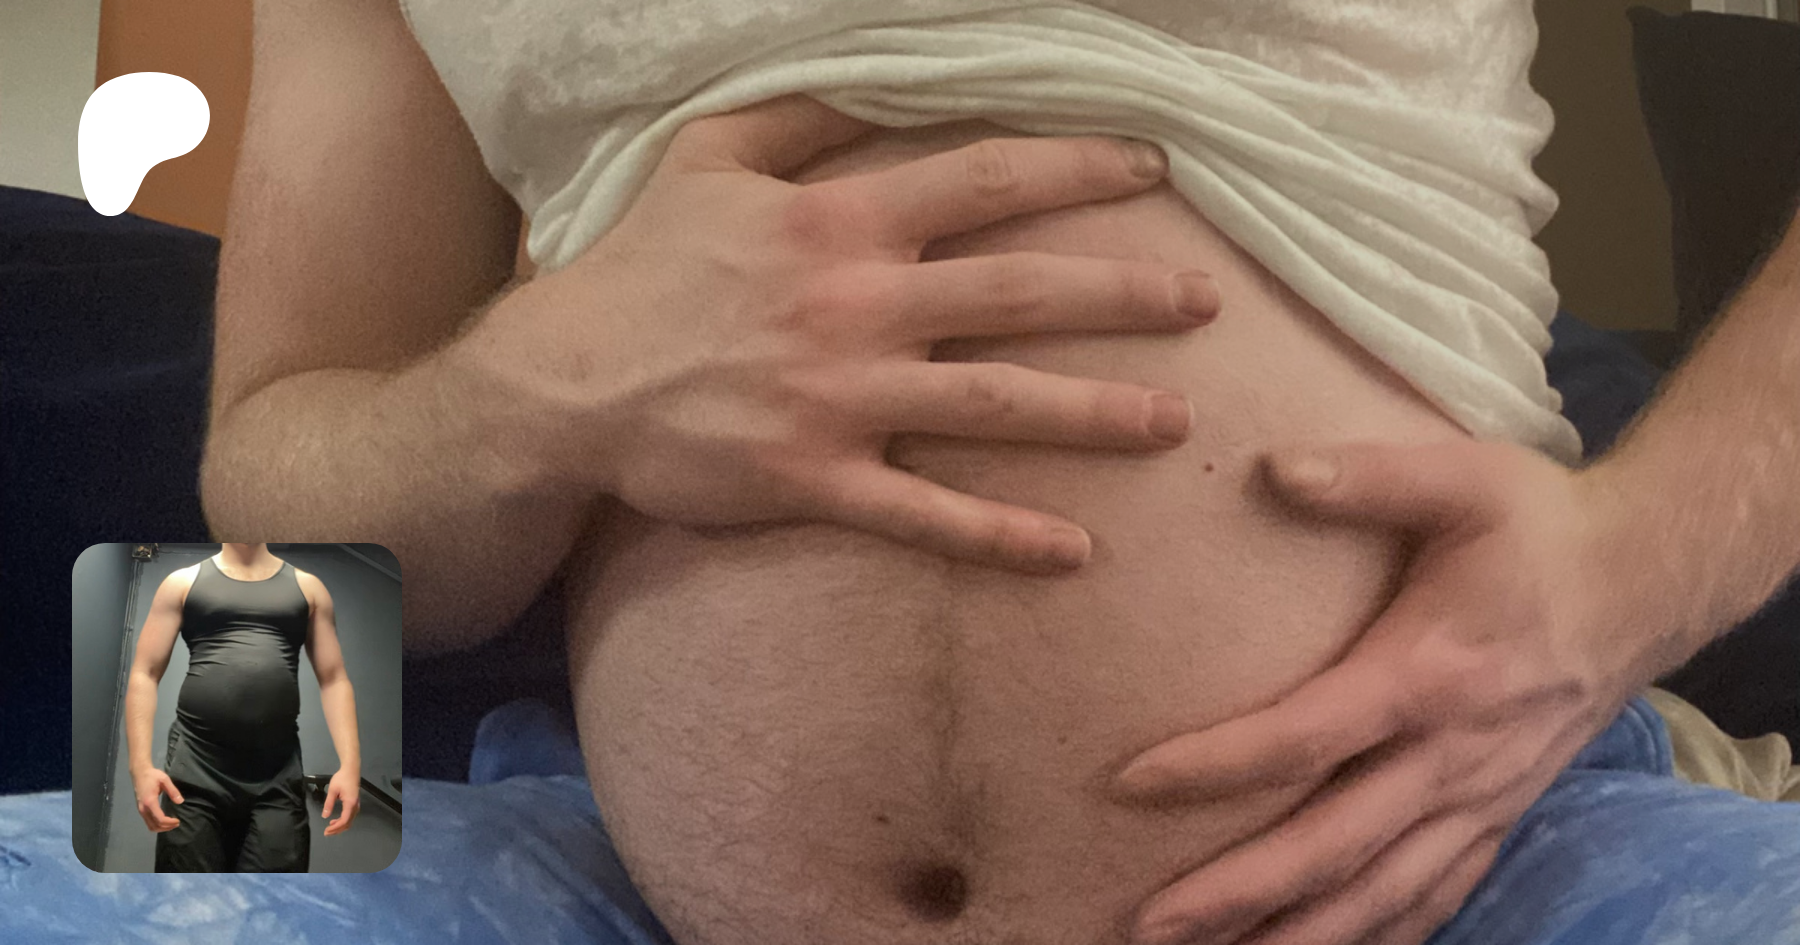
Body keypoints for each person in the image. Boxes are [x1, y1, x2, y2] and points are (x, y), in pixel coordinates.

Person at [181, 0, 1798, 942]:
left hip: (1485, 867)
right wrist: (530, 396)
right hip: (602, 870)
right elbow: (268, 494)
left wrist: (1632, 569)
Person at [125, 542, 362, 871]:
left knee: (275, 893)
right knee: (192, 893)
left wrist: (350, 767)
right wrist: (139, 768)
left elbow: (334, 679)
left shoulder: (308, 587)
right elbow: (144, 674)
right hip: (195, 768)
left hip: (277, 774)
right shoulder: (181, 582)